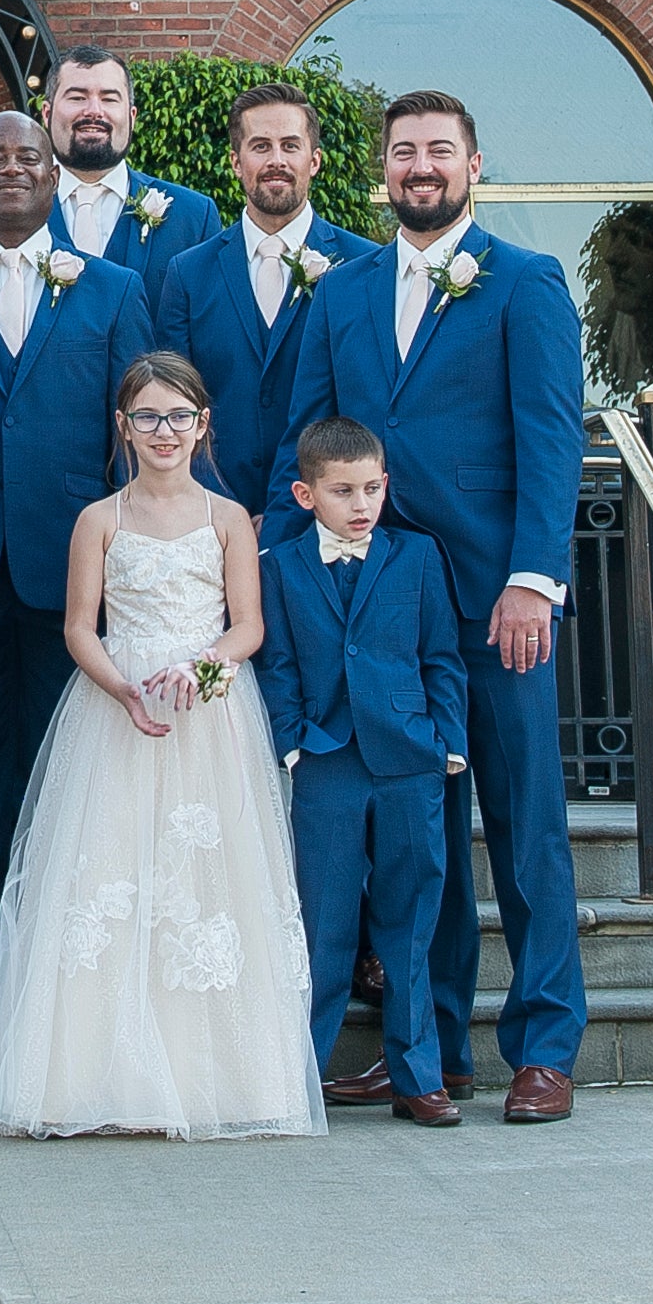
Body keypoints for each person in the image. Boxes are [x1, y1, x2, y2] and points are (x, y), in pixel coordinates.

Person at [269, 88, 588, 1126]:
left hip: (496, 605)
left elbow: (549, 440)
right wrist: (279, 564)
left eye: (438, 151)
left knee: (525, 825)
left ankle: (543, 1043)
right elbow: (308, 434)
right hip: (384, 618)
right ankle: (432, 1047)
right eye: (404, 150)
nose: (420, 166)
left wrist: (534, 577)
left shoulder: (526, 283)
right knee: (423, 844)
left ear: (473, 165)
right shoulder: (343, 289)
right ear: (382, 169)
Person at [0, 353, 319, 1141]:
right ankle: (92, 1075)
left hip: (208, 713)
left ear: (204, 427)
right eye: (149, 417)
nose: (165, 432)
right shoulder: (100, 520)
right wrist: (121, 687)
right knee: (109, 874)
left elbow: (247, 625)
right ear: (123, 427)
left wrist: (209, 666)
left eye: (180, 417)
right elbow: (75, 627)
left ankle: (219, 1078)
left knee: (205, 882)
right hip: (116, 709)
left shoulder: (228, 518)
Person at [0, 110, 151, 1026]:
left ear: (55, 175)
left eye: (30, 155)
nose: (13, 168)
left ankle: (57, 944)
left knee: (67, 766)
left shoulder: (112, 289)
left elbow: (141, 437)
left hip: (75, 574)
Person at [254, 416, 466, 1126]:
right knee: (323, 926)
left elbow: (440, 655)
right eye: (342, 490)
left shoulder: (417, 556)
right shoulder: (279, 566)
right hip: (325, 762)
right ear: (305, 494)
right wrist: (290, 745)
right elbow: (276, 665)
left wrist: (446, 743)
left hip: (408, 761)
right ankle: (301, 1077)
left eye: (372, 488)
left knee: (409, 926)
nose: (361, 504)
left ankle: (416, 1076)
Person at [153, 81, 380, 518]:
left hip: (326, 523)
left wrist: (288, 514)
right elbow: (174, 406)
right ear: (236, 162)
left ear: (313, 161)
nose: (276, 160)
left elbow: (364, 404)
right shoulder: (188, 273)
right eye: (261, 146)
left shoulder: (363, 267)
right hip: (211, 516)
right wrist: (222, 513)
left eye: (290, 145)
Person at [42, 46, 220, 308]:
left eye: (109, 98)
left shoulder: (193, 216)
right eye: (78, 98)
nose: (94, 111)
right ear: (46, 113)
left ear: (132, 116)